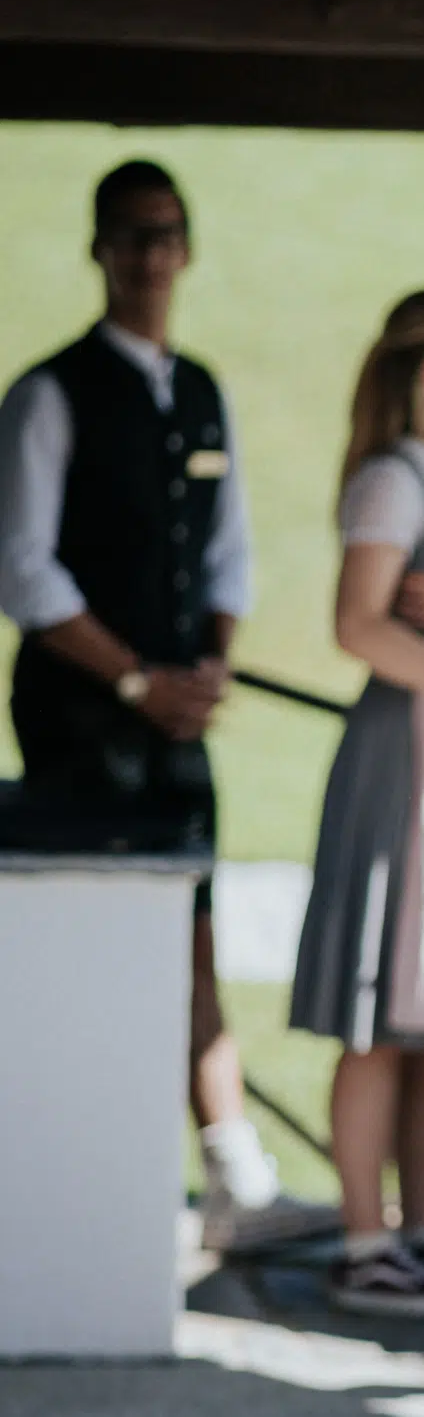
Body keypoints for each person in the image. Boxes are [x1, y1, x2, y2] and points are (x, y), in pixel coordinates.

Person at [0, 159, 335, 1256]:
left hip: (179, 717)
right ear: (100, 250)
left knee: (191, 924)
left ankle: (234, 1172)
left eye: (165, 234)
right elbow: (26, 570)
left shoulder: (201, 390)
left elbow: (228, 555)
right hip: (79, 717)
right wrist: (138, 680)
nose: (149, 256)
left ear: (186, 249)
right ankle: (76, 1181)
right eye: (130, 236)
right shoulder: (48, 394)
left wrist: (205, 673)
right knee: (82, 932)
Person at [289, 291, 424, 1320]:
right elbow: (357, 625)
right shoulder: (394, 481)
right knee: (380, 1008)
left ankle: (420, 1227)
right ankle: (365, 1236)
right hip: (402, 757)